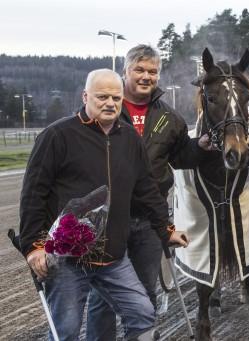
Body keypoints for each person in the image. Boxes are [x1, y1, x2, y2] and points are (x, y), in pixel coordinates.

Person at [19, 69, 189, 340]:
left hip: (112, 256)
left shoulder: (130, 139)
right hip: (66, 257)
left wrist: (165, 229)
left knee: (143, 313)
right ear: (85, 96)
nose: (110, 103)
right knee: (66, 331)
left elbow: (146, 189)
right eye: (102, 97)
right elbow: (33, 195)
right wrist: (33, 246)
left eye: (116, 97)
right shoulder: (57, 136)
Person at [86, 45, 211, 340]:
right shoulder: (106, 109)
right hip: (104, 220)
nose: (146, 76)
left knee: (144, 294)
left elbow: (181, 158)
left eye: (152, 71)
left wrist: (202, 148)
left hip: (147, 221)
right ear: (125, 71)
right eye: (139, 70)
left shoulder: (170, 118)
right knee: (102, 297)